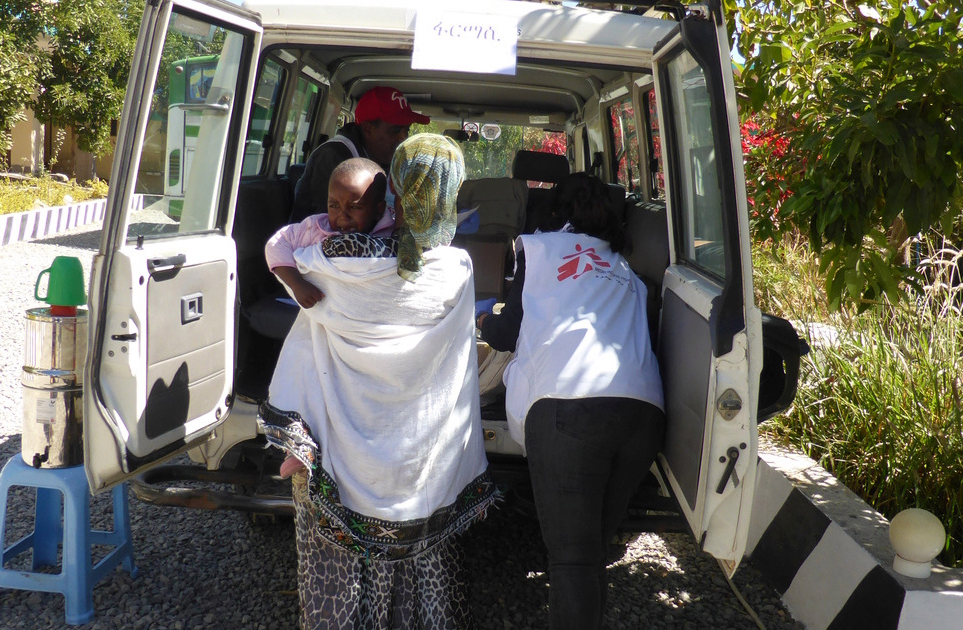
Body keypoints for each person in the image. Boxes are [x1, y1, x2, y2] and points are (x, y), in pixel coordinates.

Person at [259, 133, 496, 629]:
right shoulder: (456, 269)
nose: (341, 214)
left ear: (393, 197)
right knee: (421, 554)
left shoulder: (326, 259)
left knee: (333, 552)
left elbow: (286, 260)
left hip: (335, 445)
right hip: (420, 458)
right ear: (451, 197)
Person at [476, 172, 665, 630]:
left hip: (570, 410)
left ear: (554, 214)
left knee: (573, 561)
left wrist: (481, 319)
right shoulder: (629, 274)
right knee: (591, 553)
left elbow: (509, 331)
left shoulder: (539, 251)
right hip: (643, 414)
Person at [267, 157, 393, 308]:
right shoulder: (315, 227)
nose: (343, 216)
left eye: (354, 207)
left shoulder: (393, 233)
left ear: (378, 210)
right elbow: (277, 243)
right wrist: (297, 284)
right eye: (334, 206)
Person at [290, 86, 430, 222]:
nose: (403, 138)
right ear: (368, 129)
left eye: (406, 130)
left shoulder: (387, 160)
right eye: (395, 131)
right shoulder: (334, 156)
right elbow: (331, 227)